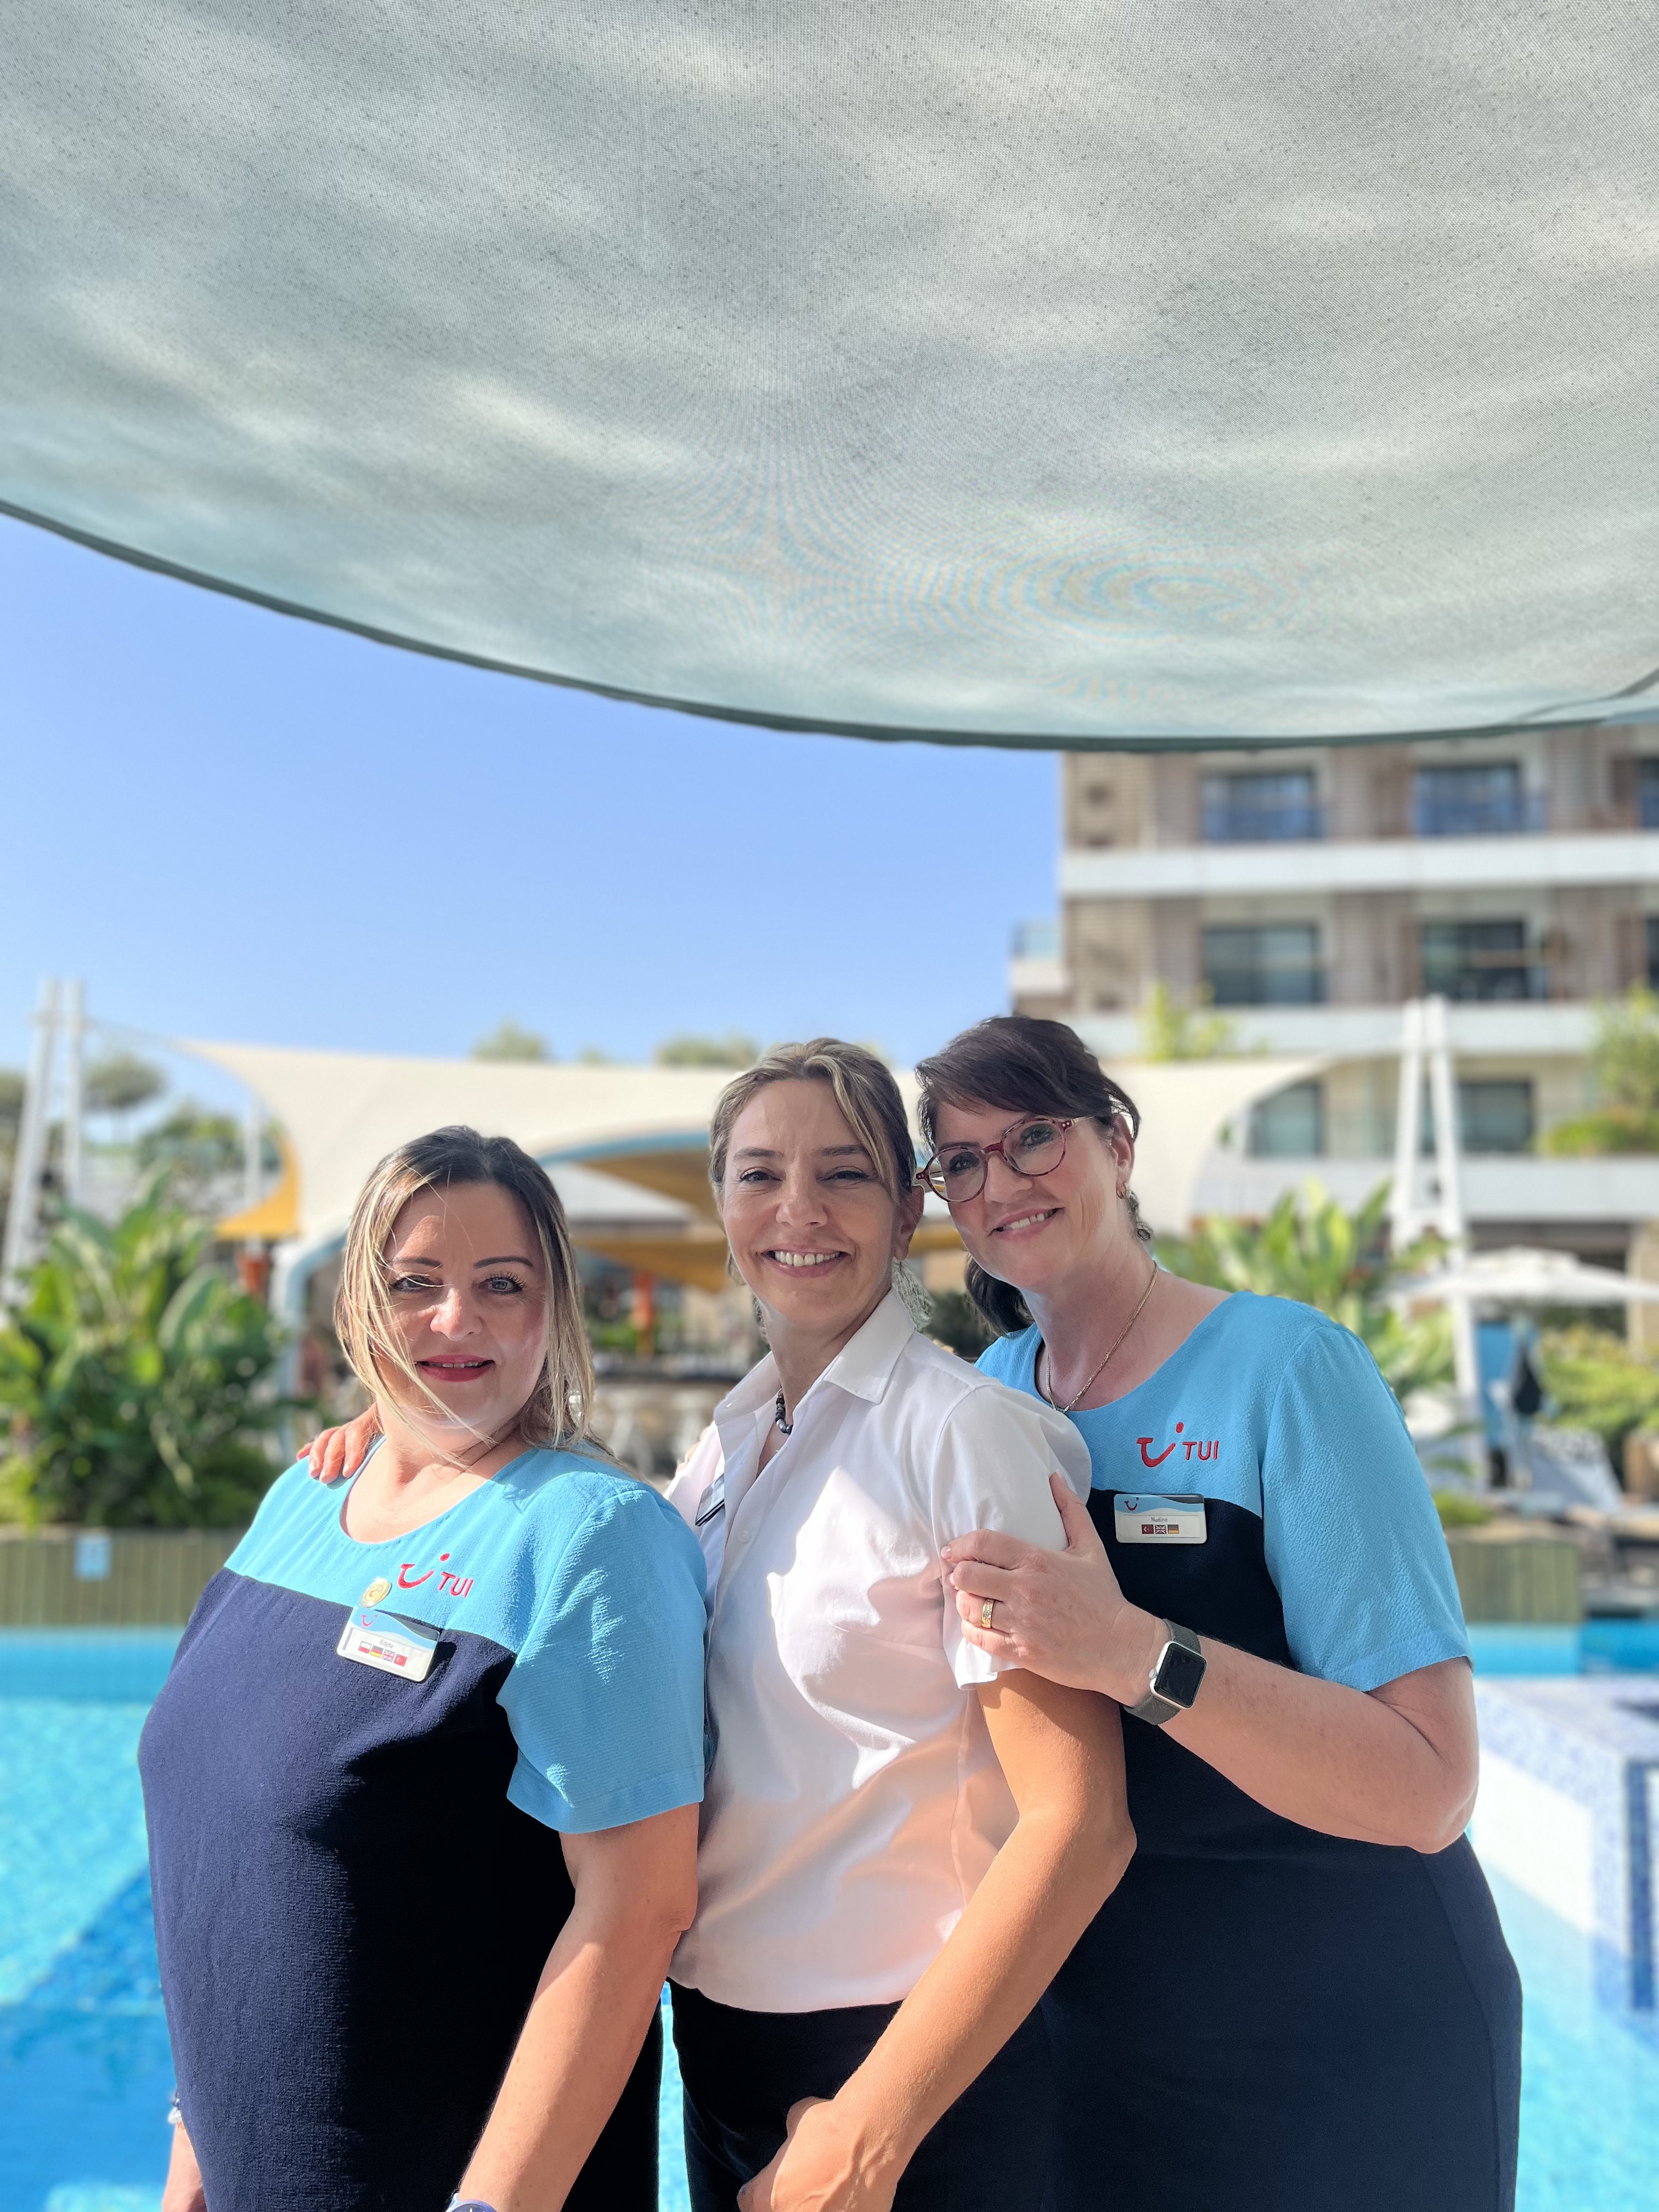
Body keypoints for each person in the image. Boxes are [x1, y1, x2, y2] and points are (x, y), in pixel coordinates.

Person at [303, 1044, 1134, 2212]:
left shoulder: (964, 1437)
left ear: (907, 1210)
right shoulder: (724, 1450)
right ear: (724, 1204)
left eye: (844, 1175)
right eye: (760, 1176)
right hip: (727, 2046)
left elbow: (1078, 1821)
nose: (799, 1211)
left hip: (909, 2068)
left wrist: (872, 2130)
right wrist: (391, 1438)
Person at [913, 1015, 1522, 2212]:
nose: (1002, 1183)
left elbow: (1430, 1786)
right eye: (964, 1161)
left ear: (1118, 1145)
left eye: (1034, 1137)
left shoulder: (1288, 1370)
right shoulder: (980, 1403)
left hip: (1352, 2038)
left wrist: (1133, 1651)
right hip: (1108, 2033)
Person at [140, 1127, 708, 2212]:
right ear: (359, 1301)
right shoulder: (300, 1498)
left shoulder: (589, 1537)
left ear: (554, 1312)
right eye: (417, 1283)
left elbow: (638, 1912)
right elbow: (226, 1866)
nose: (459, 1320)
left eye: (504, 1284)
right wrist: (193, 2154)